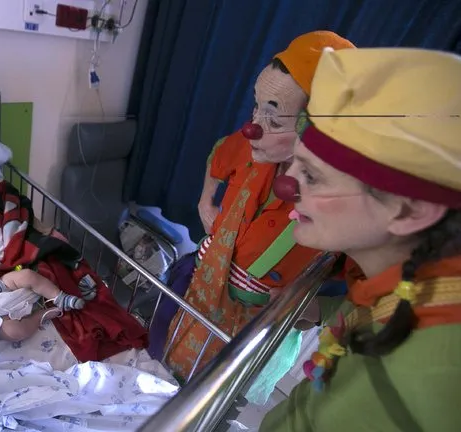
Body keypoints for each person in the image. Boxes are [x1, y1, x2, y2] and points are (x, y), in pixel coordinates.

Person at [260, 47, 461, 431]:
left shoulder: (424, 379)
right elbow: (384, 307)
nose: (286, 185)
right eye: (294, 165)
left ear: (410, 210)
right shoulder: (425, 280)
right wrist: (319, 310)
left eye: (313, 176)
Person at [147, 31, 355, 380]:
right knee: (168, 360)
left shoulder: (348, 203)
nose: (251, 128)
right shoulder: (248, 149)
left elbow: (371, 289)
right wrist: (205, 201)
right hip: (200, 285)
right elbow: (218, 154)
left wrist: (317, 309)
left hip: (255, 320)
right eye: (255, 107)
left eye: (273, 120)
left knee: (215, 389)